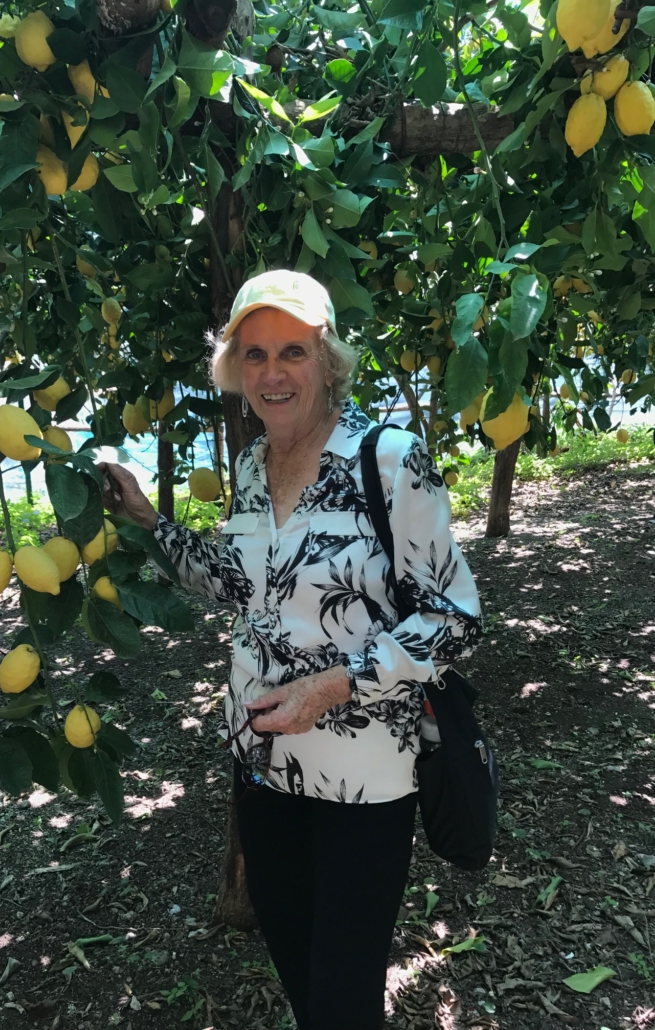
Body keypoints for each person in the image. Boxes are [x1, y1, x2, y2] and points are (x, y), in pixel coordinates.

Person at [100, 269, 482, 1030]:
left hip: (363, 780)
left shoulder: (388, 458)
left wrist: (334, 684)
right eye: (253, 355)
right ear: (234, 370)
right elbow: (238, 586)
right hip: (261, 767)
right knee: (305, 983)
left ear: (328, 358)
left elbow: (454, 614)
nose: (272, 373)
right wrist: (150, 524)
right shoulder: (250, 467)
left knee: (341, 999)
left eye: (292, 352)